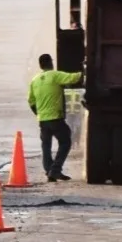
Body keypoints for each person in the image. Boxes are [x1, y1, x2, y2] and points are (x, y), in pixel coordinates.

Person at [28, 53, 84, 181]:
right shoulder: (54, 75)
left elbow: (31, 101)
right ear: (50, 63)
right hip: (55, 118)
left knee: (46, 146)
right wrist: (85, 71)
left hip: (42, 119)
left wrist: (39, 113)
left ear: (40, 65)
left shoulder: (35, 80)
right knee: (65, 141)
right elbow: (72, 78)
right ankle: (55, 169)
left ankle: (49, 171)